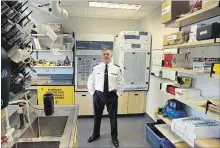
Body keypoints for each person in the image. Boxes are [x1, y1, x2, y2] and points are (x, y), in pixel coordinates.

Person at [87, 48, 124, 147]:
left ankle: (114, 137)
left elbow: (121, 82)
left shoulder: (116, 68)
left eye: (108, 54)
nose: (106, 56)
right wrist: (92, 93)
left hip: (112, 96)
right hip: (98, 95)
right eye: (104, 54)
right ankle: (95, 134)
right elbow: (90, 80)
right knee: (97, 116)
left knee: (113, 118)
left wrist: (117, 94)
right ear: (101, 56)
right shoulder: (96, 68)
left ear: (111, 56)